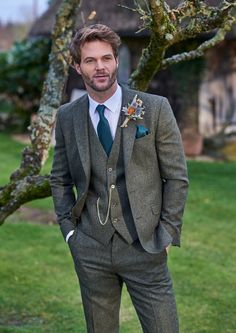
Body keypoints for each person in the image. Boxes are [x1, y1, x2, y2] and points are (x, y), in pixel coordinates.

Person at [50, 24, 188, 333]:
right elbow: (59, 179)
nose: (100, 67)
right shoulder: (68, 116)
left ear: (116, 61)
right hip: (91, 248)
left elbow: (177, 178)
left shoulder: (153, 109)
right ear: (77, 65)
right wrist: (71, 233)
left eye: (106, 58)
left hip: (145, 246)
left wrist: (166, 233)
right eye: (90, 60)